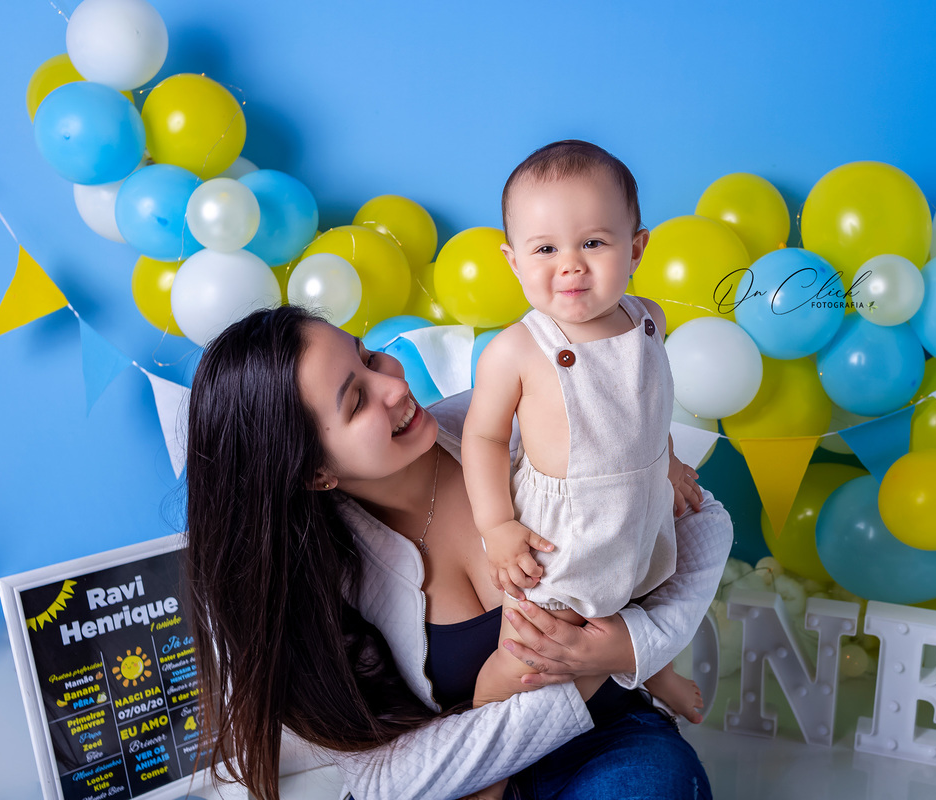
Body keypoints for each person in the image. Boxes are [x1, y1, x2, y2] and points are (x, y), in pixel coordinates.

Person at [184, 304, 732, 800]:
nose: (393, 386)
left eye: (370, 356)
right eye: (357, 401)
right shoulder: (323, 578)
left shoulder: (512, 419)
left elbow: (704, 522)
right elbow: (383, 781)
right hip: (464, 781)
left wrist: (634, 645)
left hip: (607, 739)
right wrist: (502, 710)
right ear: (315, 473)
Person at [464, 140, 705, 736]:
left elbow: (647, 409)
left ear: (636, 248)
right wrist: (497, 526)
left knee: (638, 602)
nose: (570, 265)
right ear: (513, 261)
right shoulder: (517, 350)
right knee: (528, 652)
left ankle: (653, 671)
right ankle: (482, 744)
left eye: (593, 243)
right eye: (545, 249)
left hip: (637, 510)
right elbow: (484, 439)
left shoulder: (649, 319)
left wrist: (669, 464)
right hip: (561, 533)